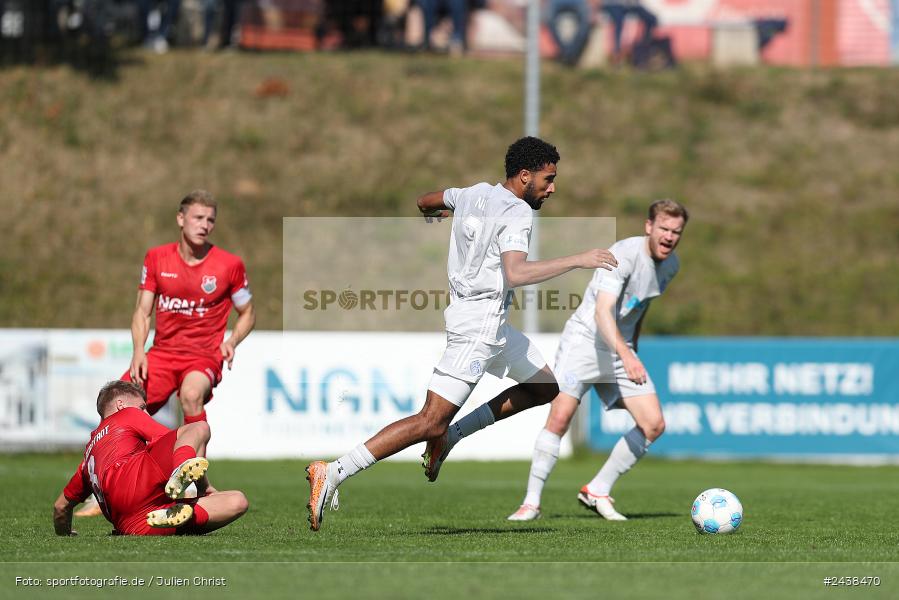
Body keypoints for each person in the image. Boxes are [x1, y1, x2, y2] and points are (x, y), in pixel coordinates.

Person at [304, 136, 619, 531]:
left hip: (488, 322)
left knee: (543, 387)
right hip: (478, 327)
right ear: (525, 176)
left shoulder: (472, 193)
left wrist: (433, 214)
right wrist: (580, 259)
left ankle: (449, 439)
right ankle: (332, 471)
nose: (552, 188)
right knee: (428, 421)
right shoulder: (519, 213)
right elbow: (516, 273)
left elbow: (425, 200)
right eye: (548, 179)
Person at [507, 199, 687, 521]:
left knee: (653, 424)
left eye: (676, 231)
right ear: (649, 227)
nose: (669, 236)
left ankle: (597, 490)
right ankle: (530, 503)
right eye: (664, 228)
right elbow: (602, 312)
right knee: (560, 417)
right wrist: (626, 354)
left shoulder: (671, 265)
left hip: (621, 347)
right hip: (586, 342)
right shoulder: (623, 254)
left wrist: (633, 349)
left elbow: (639, 309)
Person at [124, 189, 255, 424]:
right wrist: (138, 351)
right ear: (180, 219)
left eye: (210, 220)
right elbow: (142, 312)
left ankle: (195, 461)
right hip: (162, 354)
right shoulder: (156, 258)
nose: (205, 225)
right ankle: (114, 461)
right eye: (198, 218)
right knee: (121, 405)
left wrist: (232, 341)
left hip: (203, 357)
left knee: (191, 395)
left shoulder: (230, 265)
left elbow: (248, 313)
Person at [54, 381, 248, 536]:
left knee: (237, 501)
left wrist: (66, 533)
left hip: (132, 524)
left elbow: (61, 506)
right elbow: (174, 440)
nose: (146, 413)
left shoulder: (87, 458)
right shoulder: (127, 415)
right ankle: (180, 473)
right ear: (121, 405)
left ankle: (175, 516)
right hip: (134, 480)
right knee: (198, 428)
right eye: (142, 407)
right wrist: (205, 488)